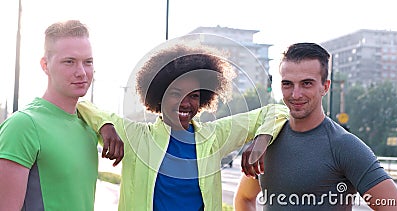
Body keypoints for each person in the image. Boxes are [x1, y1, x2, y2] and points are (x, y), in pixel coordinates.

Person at [77, 41, 290, 211]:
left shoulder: (214, 137)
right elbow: (81, 105)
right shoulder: (136, 136)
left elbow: (278, 111)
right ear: (159, 96)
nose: (185, 103)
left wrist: (261, 140)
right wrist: (105, 125)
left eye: (194, 96)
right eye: (176, 94)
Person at [238, 42, 397, 210]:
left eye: (306, 83)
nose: (296, 94)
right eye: (287, 84)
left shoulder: (344, 146)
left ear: (325, 87)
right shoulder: (268, 140)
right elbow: (244, 198)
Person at [0, 20, 124, 211]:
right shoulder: (23, 125)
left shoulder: (88, 125)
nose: (81, 72)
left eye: (88, 62)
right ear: (45, 65)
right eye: (69, 62)